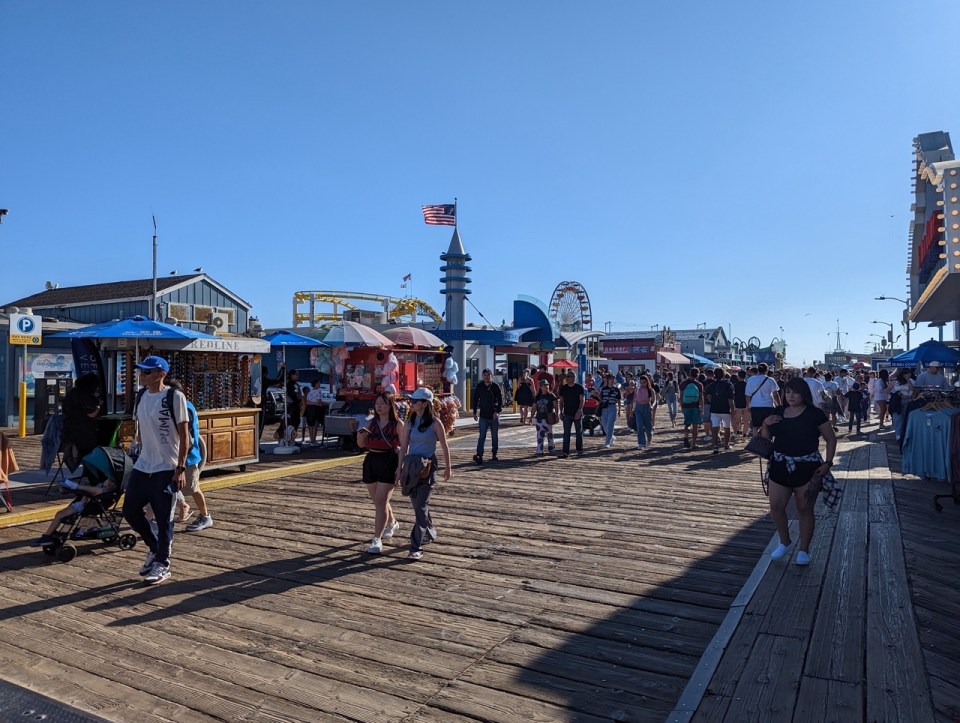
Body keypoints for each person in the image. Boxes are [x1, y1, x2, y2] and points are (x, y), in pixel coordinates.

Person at [122, 356, 189, 585]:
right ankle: (154, 547)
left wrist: (180, 468)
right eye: (142, 372)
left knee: (164, 519)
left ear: (161, 374)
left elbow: (185, 435)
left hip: (166, 466)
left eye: (148, 372)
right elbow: (141, 427)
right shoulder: (141, 396)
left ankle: (163, 563)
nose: (143, 376)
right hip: (143, 465)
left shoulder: (174, 396)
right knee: (130, 510)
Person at [759, 377, 837, 566]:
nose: (791, 395)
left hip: (807, 467)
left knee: (804, 509)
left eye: (795, 392)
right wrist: (765, 424)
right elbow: (765, 440)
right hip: (780, 465)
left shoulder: (815, 414)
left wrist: (828, 463)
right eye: (787, 392)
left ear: (804, 394)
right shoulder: (778, 412)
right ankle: (784, 542)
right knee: (776, 508)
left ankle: (804, 549)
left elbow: (831, 439)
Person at [396, 388, 451, 560]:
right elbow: (404, 447)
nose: (411, 403)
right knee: (419, 505)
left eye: (415, 401)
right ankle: (429, 532)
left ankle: (415, 546)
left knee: (420, 505)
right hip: (412, 466)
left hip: (427, 467)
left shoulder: (435, 423)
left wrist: (448, 467)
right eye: (411, 401)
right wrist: (399, 469)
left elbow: (444, 446)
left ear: (424, 404)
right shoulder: (410, 422)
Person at [165, 379, 214, 533]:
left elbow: (188, 437)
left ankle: (205, 516)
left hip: (188, 457)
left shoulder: (185, 407)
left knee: (193, 488)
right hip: (174, 456)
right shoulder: (181, 405)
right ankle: (170, 516)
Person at [358, 391, 401, 554]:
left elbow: (404, 447)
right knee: (378, 501)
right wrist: (360, 435)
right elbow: (361, 445)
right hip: (371, 460)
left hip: (389, 461)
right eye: (377, 403)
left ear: (390, 405)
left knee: (381, 502)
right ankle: (392, 522)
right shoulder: (371, 422)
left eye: (383, 403)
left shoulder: (397, 424)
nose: (379, 406)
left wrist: (401, 468)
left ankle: (377, 539)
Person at [30, 472, 117, 546]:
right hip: (85, 504)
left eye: (109, 480)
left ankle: (47, 536)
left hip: (87, 507)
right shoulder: (101, 487)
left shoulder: (105, 491)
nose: (106, 480)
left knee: (60, 514)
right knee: (59, 514)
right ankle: (48, 535)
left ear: (113, 483)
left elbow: (96, 493)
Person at [60, 373, 102, 476]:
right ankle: (92, 473)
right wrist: (98, 407)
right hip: (83, 433)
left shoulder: (71, 393)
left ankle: (86, 469)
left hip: (68, 432)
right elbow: (91, 414)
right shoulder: (85, 395)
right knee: (94, 450)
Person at [471, 368, 502, 464]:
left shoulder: (495, 387)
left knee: (494, 436)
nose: (487, 377)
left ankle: (494, 454)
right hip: (483, 415)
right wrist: (475, 411)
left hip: (493, 416)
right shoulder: (480, 386)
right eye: (485, 375)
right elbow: (475, 399)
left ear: (491, 376)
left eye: (488, 375)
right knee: (482, 436)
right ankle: (479, 454)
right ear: (482, 376)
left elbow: (500, 400)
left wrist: (497, 411)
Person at [745, 362, 780, 436]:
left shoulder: (751, 379)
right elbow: (775, 394)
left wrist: (748, 405)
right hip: (768, 405)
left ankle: (756, 443)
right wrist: (779, 405)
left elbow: (747, 394)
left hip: (755, 405)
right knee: (767, 425)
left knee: (755, 426)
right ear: (767, 370)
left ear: (758, 370)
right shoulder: (770, 380)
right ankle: (766, 441)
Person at [557, 371, 586, 457]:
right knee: (566, 433)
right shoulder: (563, 388)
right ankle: (565, 452)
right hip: (567, 413)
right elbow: (561, 401)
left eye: (573, 376)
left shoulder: (579, 387)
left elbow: (582, 400)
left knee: (579, 432)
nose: (571, 378)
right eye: (569, 376)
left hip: (577, 412)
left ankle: (579, 450)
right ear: (566, 378)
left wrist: (579, 410)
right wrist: (560, 412)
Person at [708, 369, 736, 453]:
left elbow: (709, 397)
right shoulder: (728, 385)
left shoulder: (711, 385)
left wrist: (713, 402)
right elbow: (730, 399)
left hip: (714, 409)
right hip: (725, 409)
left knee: (715, 428)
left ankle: (715, 446)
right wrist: (732, 409)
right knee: (727, 428)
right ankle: (726, 445)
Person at [259, 364, 285, 440]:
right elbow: (278, 379)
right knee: (260, 424)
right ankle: (257, 444)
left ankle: (255, 444)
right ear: (265, 373)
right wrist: (282, 369)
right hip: (261, 404)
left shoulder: (252, 379)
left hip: (252, 404)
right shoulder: (264, 380)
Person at [679, 372, 704, 449]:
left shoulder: (683, 384)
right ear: (697, 375)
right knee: (695, 425)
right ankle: (694, 443)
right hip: (695, 406)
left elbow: (680, 396)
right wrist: (702, 408)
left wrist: (682, 406)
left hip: (686, 406)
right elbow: (700, 398)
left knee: (687, 423)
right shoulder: (699, 385)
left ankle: (686, 436)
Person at [533, 378, 558, 455]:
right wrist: (531, 416)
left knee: (550, 435)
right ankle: (539, 450)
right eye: (544, 385)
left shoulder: (551, 396)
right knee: (540, 436)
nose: (546, 386)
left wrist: (557, 415)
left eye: (547, 385)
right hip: (539, 418)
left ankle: (551, 448)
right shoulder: (537, 397)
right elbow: (534, 407)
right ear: (540, 387)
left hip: (548, 418)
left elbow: (556, 406)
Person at [597, 374, 622, 448]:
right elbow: (601, 398)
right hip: (604, 407)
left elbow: (618, 400)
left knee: (610, 425)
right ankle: (611, 437)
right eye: (610, 379)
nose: (612, 380)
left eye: (613, 379)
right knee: (604, 424)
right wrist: (597, 395)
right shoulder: (603, 389)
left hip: (612, 406)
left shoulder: (616, 389)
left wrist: (619, 410)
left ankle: (607, 442)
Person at [889, 369, 914, 440]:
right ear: (903, 374)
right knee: (897, 417)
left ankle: (905, 434)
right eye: (906, 373)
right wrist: (897, 394)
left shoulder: (911, 381)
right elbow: (888, 390)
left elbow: (913, 390)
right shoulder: (896, 382)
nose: (908, 374)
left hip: (908, 401)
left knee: (906, 417)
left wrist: (908, 380)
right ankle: (898, 434)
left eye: (909, 373)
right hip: (897, 401)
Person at [633, 374, 656, 450]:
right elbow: (635, 400)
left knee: (648, 426)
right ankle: (641, 443)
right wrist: (633, 409)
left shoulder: (650, 390)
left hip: (647, 408)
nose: (642, 384)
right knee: (639, 426)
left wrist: (652, 406)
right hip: (638, 408)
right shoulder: (637, 389)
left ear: (647, 382)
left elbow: (654, 400)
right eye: (641, 382)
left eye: (644, 382)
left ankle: (649, 438)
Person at [304, 379, 328, 445]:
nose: (320, 384)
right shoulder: (319, 391)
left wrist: (313, 403)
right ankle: (314, 439)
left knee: (310, 424)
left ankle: (311, 438)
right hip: (316, 409)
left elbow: (308, 402)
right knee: (315, 424)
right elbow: (319, 401)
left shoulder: (309, 392)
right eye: (319, 383)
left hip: (309, 409)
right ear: (316, 384)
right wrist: (327, 404)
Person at [732, 370, 749, 440]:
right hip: (746, 405)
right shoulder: (747, 384)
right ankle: (744, 435)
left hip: (737, 405)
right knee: (746, 422)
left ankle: (737, 433)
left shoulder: (735, 385)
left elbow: (733, 396)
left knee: (736, 420)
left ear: (738, 376)